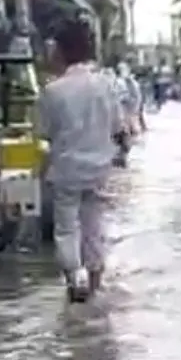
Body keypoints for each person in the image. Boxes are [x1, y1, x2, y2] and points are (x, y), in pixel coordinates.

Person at [39, 17, 126, 303]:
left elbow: (44, 133)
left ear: (61, 50)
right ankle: (96, 279)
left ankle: (74, 280)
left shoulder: (53, 91)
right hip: (99, 167)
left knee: (66, 227)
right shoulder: (107, 85)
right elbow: (118, 127)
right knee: (94, 224)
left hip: (66, 169)